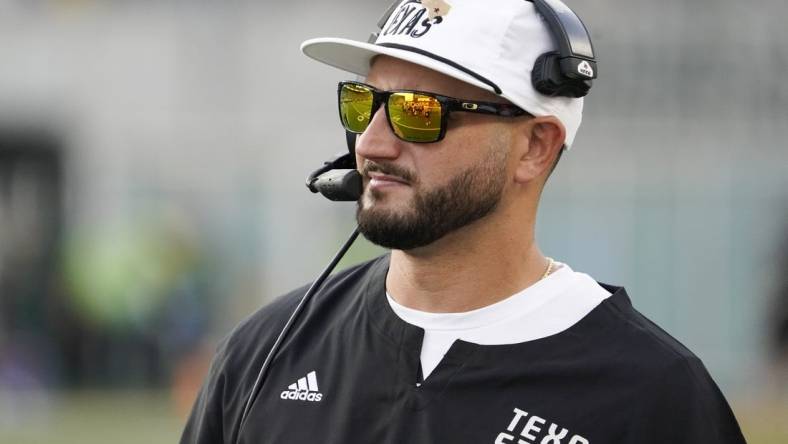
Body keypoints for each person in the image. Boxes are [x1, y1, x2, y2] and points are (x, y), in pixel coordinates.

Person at [180, 1, 747, 443]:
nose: (372, 143)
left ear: (534, 147)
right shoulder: (267, 350)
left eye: (419, 112)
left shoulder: (653, 394)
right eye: (362, 103)